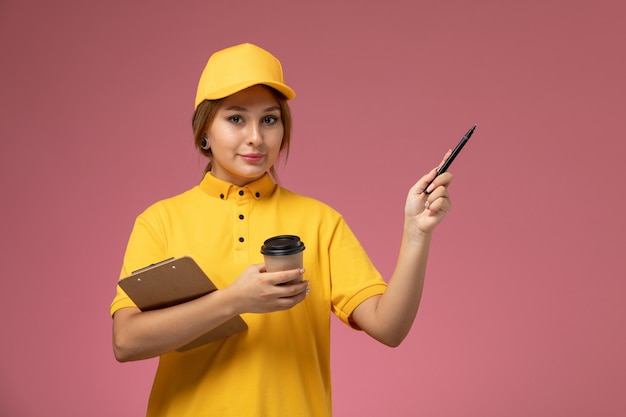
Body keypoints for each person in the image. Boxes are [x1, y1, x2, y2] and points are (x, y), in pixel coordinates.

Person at [111, 42, 453, 417]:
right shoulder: (160, 221)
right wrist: (234, 300)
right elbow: (126, 342)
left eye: (270, 120)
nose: (256, 137)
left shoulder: (320, 221)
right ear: (204, 131)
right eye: (236, 119)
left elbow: (390, 328)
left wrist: (416, 234)